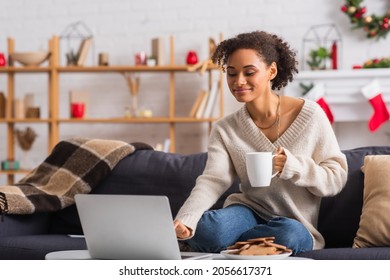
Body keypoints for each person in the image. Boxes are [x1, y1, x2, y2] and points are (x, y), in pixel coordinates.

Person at [174, 30, 348, 255]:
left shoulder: (311, 115)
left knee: (290, 234)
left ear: (271, 71)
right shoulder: (225, 129)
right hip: (245, 212)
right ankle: (257, 249)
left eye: (249, 72)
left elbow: (336, 178)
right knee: (206, 228)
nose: (239, 81)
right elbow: (212, 180)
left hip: (293, 222)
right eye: (231, 73)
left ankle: (236, 247)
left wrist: (294, 167)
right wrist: (186, 219)